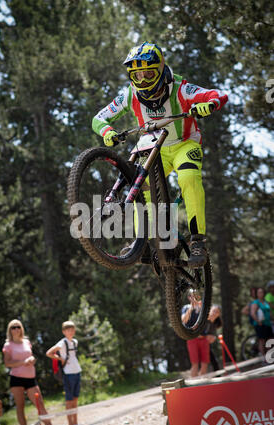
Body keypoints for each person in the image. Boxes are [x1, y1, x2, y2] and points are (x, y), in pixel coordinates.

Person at [92, 41, 228, 268]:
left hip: (185, 144)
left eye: (148, 74)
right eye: (137, 76)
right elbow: (99, 118)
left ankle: (198, 242)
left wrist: (210, 104)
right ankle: (140, 242)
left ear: (161, 69)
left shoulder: (180, 88)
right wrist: (107, 132)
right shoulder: (131, 95)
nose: (143, 80)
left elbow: (218, 95)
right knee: (138, 183)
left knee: (188, 178)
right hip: (154, 146)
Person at [2, 319, 56, 425]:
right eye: (13, 327)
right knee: (20, 406)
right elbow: (7, 363)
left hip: (31, 378)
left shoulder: (27, 342)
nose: (16, 329)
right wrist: (23, 362)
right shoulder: (8, 345)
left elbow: (30, 356)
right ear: (9, 330)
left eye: (18, 327)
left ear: (21, 328)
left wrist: (32, 360)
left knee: (39, 403)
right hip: (16, 379)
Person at [46, 321, 82, 425]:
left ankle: (75, 423)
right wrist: (59, 358)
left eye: (72, 330)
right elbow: (49, 353)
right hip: (68, 373)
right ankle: (70, 424)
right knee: (69, 400)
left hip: (77, 371)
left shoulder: (75, 342)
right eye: (68, 330)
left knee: (75, 399)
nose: (70, 332)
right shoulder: (62, 342)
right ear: (64, 332)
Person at [181, 291, 210, 377]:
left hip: (204, 338)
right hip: (192, 339)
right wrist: (191, 308)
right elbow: (184, 320)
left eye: (197, 296)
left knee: (205, 363)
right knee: (195, 364)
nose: (195, 298)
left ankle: (202, 383)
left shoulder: (203, 307)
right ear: (189, 298)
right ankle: (194, 385)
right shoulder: (186, 307)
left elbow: (211, 319)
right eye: (193, 296)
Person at [250, 287, 274, 357]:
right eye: (259, 292)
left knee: (270, 340)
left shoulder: (265, 302)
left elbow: (269, 312)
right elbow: (252, 313)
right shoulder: (255, 302)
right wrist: (258, 321)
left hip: (268, 323)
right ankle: (263, 357)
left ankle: (269, 356)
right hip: (260, 324)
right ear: (257, 294)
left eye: (262, 292)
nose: (261, 294)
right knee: (262, 340)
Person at [204, 305, 222, 371]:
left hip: (206, 343)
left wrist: (213, 337)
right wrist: (206, 336)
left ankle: (218, 376)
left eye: (217, 312)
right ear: (210, 310)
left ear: (219, 314)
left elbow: (212, 334)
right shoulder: (204, 320)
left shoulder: (216, 323)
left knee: (213, 360)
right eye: (213, 311)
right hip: (198, 341)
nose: (214, 313)